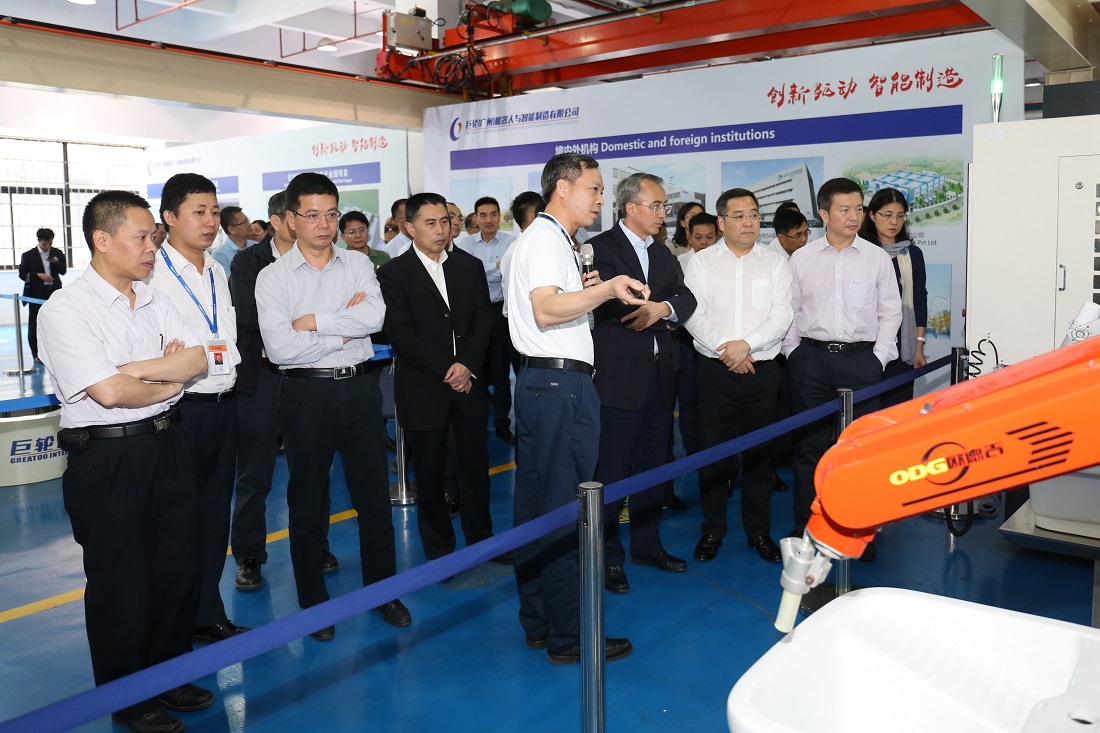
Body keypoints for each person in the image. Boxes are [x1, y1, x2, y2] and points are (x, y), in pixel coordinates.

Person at [38, 190, 213, 733]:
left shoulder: (154, 298)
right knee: (121, 583)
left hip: (169, 444)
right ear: (102, 240)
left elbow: (196, 359)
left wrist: (141, 370)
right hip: (108, 456)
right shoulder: (65, 310)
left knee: (177, 569)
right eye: (142, 238)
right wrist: (165, 376)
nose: (152, 247)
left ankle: (169, 675)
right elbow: (110, 393)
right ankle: (130, 698)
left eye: (153, 238)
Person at [505, 152, 648, 665]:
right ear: (562, 188)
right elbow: (546, 310)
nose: (601, 199)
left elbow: (549, 304)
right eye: (594, 188)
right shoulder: (546, 240)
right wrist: (606, 289)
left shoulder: (549, 240)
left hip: (541, 383)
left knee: (536, 510)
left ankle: (542, 623)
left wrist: (587, 294)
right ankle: (569, 637)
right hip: (560, 386)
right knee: (565, 512)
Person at [256, 172, 409, 640]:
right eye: (312, 215)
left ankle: (383, 592)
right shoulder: (272, 277)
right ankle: (313, 604)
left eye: (330, 214)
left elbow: (375, 317)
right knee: (306, 500)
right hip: (305, 394)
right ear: (290, 219)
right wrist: (344, 328)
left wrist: (313, 322)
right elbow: (280, 349)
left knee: (373, 499)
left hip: (359, 390)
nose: (323, 225)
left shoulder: (358, 264)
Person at [150, 173, 249, 644]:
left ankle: (207, 612)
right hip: (178, 410)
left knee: (213, 517)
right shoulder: (151, 274)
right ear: (169, 217)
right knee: (175, 523)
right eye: (198, 212)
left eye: (214, 212)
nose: (211, 221)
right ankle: (171, 626)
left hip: (222, 406)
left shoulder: (216, 270)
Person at [377, 192, 500, 561]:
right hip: (423, 387)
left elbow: (483, 321)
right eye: (430, 223)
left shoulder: (469, 266)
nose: (440, 229)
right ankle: (439, 548)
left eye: (445, 221)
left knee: (475, 468)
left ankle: (483, 540)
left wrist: (467, 366)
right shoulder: (393, 273)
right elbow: (401, 333)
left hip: (468, 385)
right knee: (429, 474)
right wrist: (449, 369)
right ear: (409, 228)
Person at [590, 172, 696, 594]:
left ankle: (647, 546)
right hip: (619, 378)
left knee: (654, 466)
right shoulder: (600, 250)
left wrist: (663, 308)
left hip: (660, 376)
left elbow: (686, 297)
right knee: (613, 470)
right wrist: (651, 311)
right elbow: (611, 308)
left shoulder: (661, 251)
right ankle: (608, 556)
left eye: (664, 206)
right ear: (631, 207)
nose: (662, 213)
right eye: (656, 206)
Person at [230, 191, 340, 592]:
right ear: (280, 221)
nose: (313, 224)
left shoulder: (326, 258)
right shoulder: (248, 262)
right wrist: (313, 320)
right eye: (303, 216)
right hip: (262, 378)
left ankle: (316, 546)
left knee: (312, 469)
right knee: (254, 474)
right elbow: (252, 317)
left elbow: (341, 312)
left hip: (311, 374)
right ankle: (249, 556)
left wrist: (309, 321)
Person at [782, 178, 902, 540]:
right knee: (809, 450)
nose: (854, 217)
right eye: (844, 209)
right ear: (824, 214)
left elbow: (890, 313)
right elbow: (790, 311)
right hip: (811, 361)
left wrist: (878, 358)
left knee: (860, 451)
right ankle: (808, 527)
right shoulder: (802, 258)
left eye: (858, 209)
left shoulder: (877, 258)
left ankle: (859, 527)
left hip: (861, 362)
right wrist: (793, 353)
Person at [683, 188, 793, 563]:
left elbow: (782, 315)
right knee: (713, 455)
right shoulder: (701, 263)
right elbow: (693, 314)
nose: (749, 222)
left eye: (754, 215)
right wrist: (727, 350)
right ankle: (712, 530)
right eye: (740, 215)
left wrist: (746, 345)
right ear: (721, 222)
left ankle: (758, 531)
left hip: (763, 373)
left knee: (760, 457)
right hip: (715, 372)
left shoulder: (775, 263)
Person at [457, 196, 517, 443]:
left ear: (499, 217)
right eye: (483, 215)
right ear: (475, 218)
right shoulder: (465, 243)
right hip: (474, 313)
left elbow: (505, 273)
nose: (489, 219)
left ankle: (503, 424)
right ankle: (477, 422)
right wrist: (496, 268)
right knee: (476, 370)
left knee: (502, 372)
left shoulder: (511, 242)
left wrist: (483, 270)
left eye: (493, 214)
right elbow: (468, 275)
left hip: (501, 312)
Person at [860, 187, 928, 407]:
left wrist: (919, 346)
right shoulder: (861, 253)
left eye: (900, 216)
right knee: (866, 411)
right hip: (865, 346)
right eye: (887, 215)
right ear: (872, 215)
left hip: (902, 345)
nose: (894, 222)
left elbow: (919, 299)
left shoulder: (913, 254)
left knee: (898, 410)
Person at [673, 211, 719, 468]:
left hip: (720, 343)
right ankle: (693, 455)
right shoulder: (678, 264)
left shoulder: (727, 263)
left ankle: (720, 459)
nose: (704, 242)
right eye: (698, 237)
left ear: (718, 235)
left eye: (709, 237)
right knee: (689, 400)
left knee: (717, 403)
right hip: (686, 343)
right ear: (689, 236)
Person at [18, 227, 66, 363]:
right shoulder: (28, 255)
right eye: (45, 244)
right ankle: (37, 354)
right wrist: (38, 275)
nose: (47, 247)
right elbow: (22, 274)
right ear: (39, 241)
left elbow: (63, 271)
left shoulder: (56, 253)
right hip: (36, 294)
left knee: (56, 323)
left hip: (54, 292)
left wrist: (57, 262)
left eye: (50, 243)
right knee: (35, 324)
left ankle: (57, 353)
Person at [210, 205, 255, 275]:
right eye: (244, 222)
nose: (250, 224)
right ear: (232, 229)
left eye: (247, 220)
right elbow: (228, 280)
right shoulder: (220, 254)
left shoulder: (256, 245)